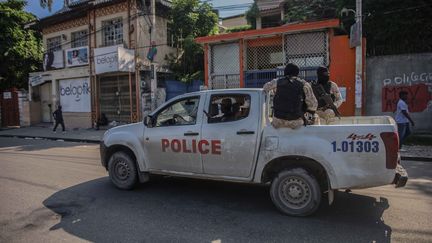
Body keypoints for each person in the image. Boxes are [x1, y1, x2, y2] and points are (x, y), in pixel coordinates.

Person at [263, 63, 318, 129]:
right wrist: (307, 118)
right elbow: (314, 105)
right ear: (297, 72)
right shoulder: (304, 84)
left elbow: (265, 88)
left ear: (285, 71)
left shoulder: (277, 82)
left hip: (278, 122)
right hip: (296, 123)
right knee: (316, 117)